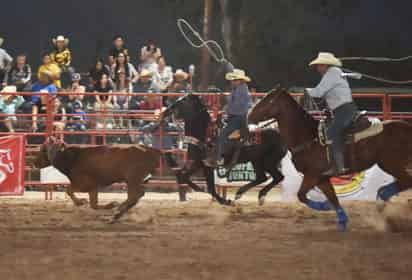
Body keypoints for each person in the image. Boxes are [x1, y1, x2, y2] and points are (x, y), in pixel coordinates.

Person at [306, 52, 358, 176]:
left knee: (332, 132)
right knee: (332, 130)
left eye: (319, 65)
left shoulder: (332, 73)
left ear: (325, 65)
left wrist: (307, 90)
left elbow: (318, 92)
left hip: (344, 110)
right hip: (343, 109)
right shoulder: (335, 72)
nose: (317, 68)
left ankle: (339, 167)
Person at [206, 69, 252, 167]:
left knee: (222, 135)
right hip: (236, 117)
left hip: (238, 118)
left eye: (234, 80)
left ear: (239, 80)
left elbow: (238, 107)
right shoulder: (239, 89)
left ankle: (220, 158)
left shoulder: (241, 90)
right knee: (219, 131)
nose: (232, 81)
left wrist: (226, 111)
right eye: (232, 80)